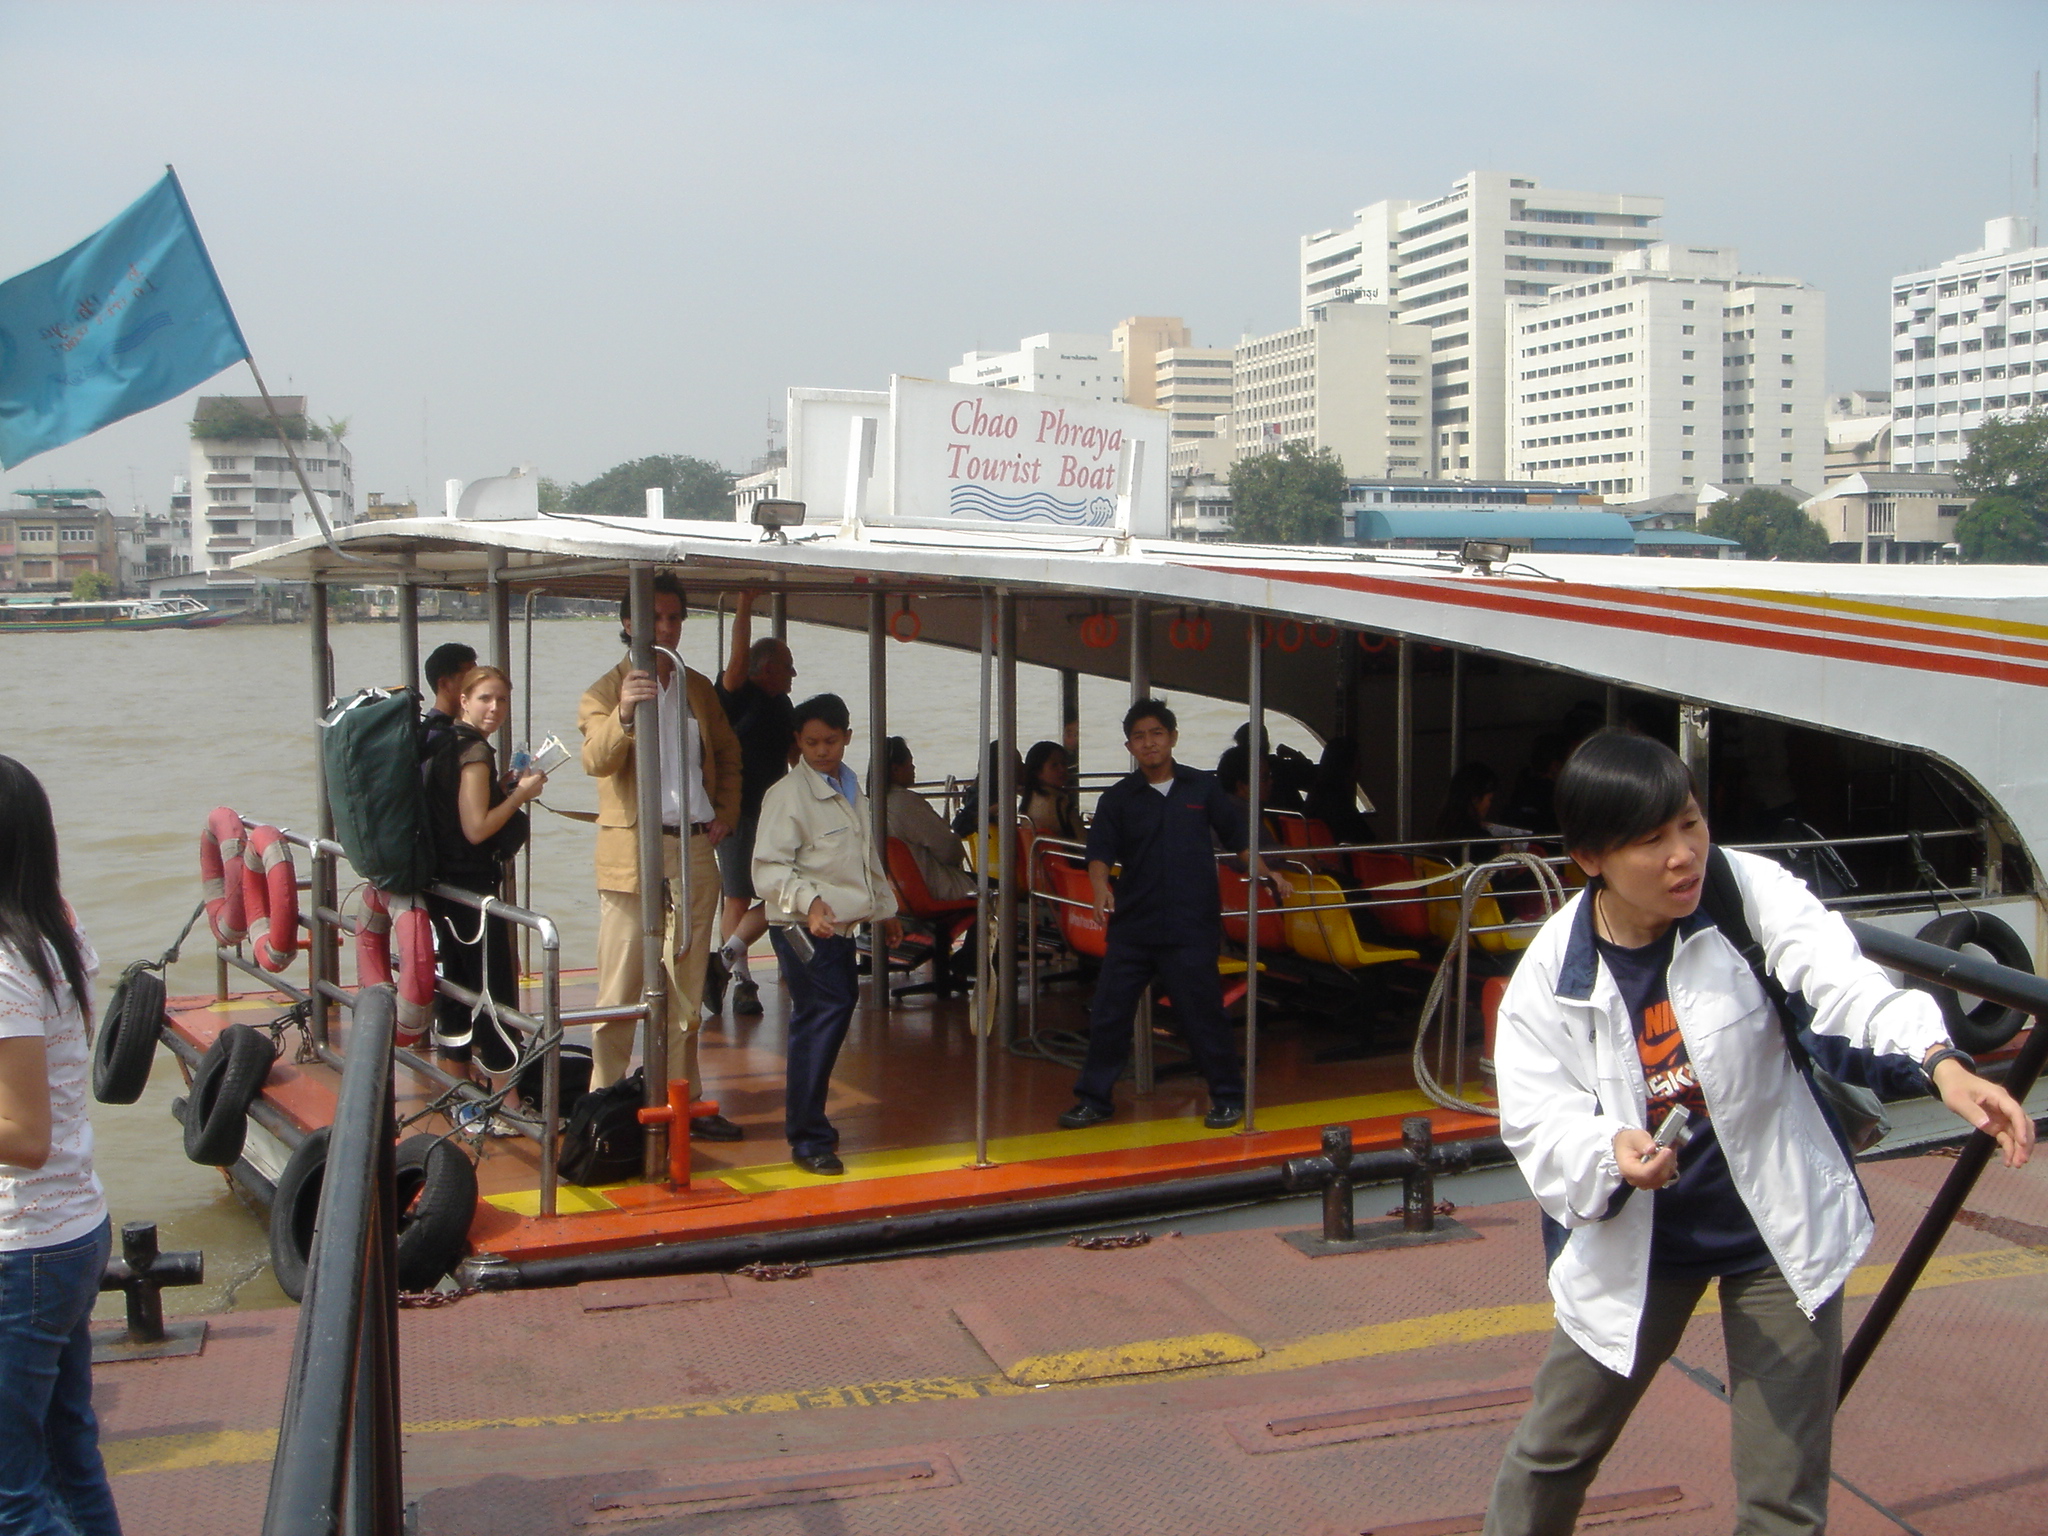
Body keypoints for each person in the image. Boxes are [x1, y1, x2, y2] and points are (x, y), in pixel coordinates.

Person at [1482, 730, 2033, 1536]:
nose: (1683, 855)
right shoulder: (1551, 978)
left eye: (1690, 823)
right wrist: (1609, 1152)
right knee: (1551, 1454)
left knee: (1782, 1498)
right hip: (1642, 1243)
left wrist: (1940, 1063)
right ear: (1590, 858)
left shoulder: (1743, 893)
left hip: (1775, 1232)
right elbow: (1538, 1121)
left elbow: (1841, 982)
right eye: (1651, 840)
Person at [1057, 699, 1293, 1132]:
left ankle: (1227, 1098)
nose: (1149, 743)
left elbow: (1240, 842)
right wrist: (1099, 887)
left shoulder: (1203, 788)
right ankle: (1094, 1100)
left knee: (1203, 1014)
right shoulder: (1117, 798)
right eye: (1139, 737)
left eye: (1157, 734)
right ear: (1129, 746)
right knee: (1109, 1013)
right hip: (1134, 924)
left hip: (1191, 923)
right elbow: (1099, 853)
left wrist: (1269, 873)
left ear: (1173, 738)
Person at [0, 756, 123, 1535]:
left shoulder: (4, 964)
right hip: (72, 1232)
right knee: (71, 1456)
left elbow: (25, 1136)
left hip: (24, 1252)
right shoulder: (54, 931)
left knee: (12, 1496)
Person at [577, 575, 746, 1141]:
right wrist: (624, 713)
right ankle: (601, 1109)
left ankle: (683, 1103)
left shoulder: (697, 687)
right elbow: (595, 760)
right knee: (620, 987)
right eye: (655, 618)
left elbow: (729, 754)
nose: (666, 629)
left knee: (686, 989)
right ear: (630, 623)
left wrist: (725, 813)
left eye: (675, 618)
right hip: (634, 851)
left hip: (695, 845)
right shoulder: (604, 690)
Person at [753, 694, 901, 1175]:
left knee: (825, 1014)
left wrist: (886, 910)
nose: (821, 751)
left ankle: (809, 1126)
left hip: (837, 925)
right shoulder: (787, 795)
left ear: (847, 738)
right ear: (798, 741)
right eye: (812, 742)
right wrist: (810, 902)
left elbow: (865, 858)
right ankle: (808, 1136)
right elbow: (768, 869)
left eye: (831, 741)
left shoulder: (851, 788)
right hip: (801, 926)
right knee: (823, 1014)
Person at [423, 665, 546, 1134]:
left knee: (457, 987)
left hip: (443, 887)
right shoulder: (473, 752)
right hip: (473, 891)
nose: (494, 708)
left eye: (502, 700)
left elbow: (454, 813)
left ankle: (456, 1090)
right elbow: (476, 829)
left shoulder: (441, 741)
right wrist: (520, 797)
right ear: (464, 700)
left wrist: (502, 790)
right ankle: (507, 1101)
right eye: (485, 699)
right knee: (494, 991)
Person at [712, 591, 797, 1019]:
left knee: (785, 890)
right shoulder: (737, 694)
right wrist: (744, 605)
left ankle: (736, 960)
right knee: (738, 896)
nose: (794, 673)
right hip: (737, 812)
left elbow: (797, 757)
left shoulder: (783, 705)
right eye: (787, 666)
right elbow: (737, 660)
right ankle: (741, 980)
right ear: (767, 669)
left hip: (774, 814)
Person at [879, 738, 974, 902]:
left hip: (900, 894)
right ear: (895, 769)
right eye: (910, 763)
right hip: (932, 889)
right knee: (998, 887)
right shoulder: (906, 803)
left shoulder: (873, 804)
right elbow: (949, 849)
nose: (913, 768)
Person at [1302, 735, 1377, 845]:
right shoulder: (1340, 806)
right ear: (1347, 765)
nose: (1361, 765)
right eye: (1358, 760)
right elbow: (1367, 841)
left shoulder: (1315, 799)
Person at [418, 640, 477, 762]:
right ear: (444, 684)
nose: (477, 685)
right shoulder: (440, 737)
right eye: (469, 679)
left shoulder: (429, 729)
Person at [1019, 740, 1082, 843]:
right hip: (1065, 852)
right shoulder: (1060, 804)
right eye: (1054, 765)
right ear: (1038, 771)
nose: (1062, 769)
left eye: (1064, 764)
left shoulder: (1028, 800)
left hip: (1040, 852)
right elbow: (1084, 842)